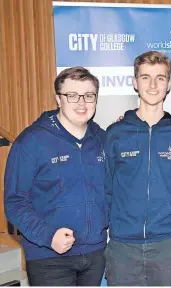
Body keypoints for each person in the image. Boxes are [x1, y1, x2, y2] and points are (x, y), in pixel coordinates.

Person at [4, 67, 108, 286]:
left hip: (96, 254)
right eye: (72, 95)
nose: (82, 103)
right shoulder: (31, 141)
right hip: (48, 257)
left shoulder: (103, 139)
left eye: (89, 96)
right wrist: (48, 236)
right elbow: (15, 202)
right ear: (58, 99)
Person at [104, 51, 171, 286]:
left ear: (169, 83)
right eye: (145, 77)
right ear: (135, 83)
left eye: (160, 78)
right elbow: (106, 186)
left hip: (169, 246)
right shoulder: (115, 134)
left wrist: (169, 216)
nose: (152, 85)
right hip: (123, 246)